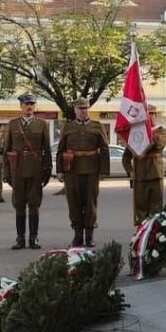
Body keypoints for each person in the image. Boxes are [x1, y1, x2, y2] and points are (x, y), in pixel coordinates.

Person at [56, 98, 109, 247]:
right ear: (75, 111)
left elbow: (104, 149)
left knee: (90, 202)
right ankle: (77, 235)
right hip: (71, 170)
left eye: (85, 108)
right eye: (80, 109)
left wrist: (104, 171)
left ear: (88, 110)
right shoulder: (68, 127)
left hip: (92, 169)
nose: (83, 111)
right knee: (74, 202)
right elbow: (61, 149)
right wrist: (59, 170)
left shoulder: (97, 126)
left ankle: (89, 236)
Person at [4, 93, 51, 249]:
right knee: (19, 205)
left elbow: (46, 150)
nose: (29, 107)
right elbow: (7, 150)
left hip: (36, 170)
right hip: (17, 170)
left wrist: (47, 170)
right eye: (26, 104)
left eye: (32, 104)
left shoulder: (42, 124)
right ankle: (20, 238)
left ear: (35, 106)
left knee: (34, 205)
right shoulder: (12, 125)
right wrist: (7, 172)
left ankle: (33, 238)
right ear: (21, 106)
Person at [122, 104, 166, 225]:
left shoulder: (161, 130)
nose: (150, 117)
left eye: (152, 114)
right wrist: (130, 171)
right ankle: (141, 234)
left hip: (155, 174)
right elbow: (126, 156)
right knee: (140, 207)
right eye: (148, 114)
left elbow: (159, 145)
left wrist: (147, 132)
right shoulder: (136, 133)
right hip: (140, 175)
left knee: (156, 207)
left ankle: (155, 233)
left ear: (156, 115)